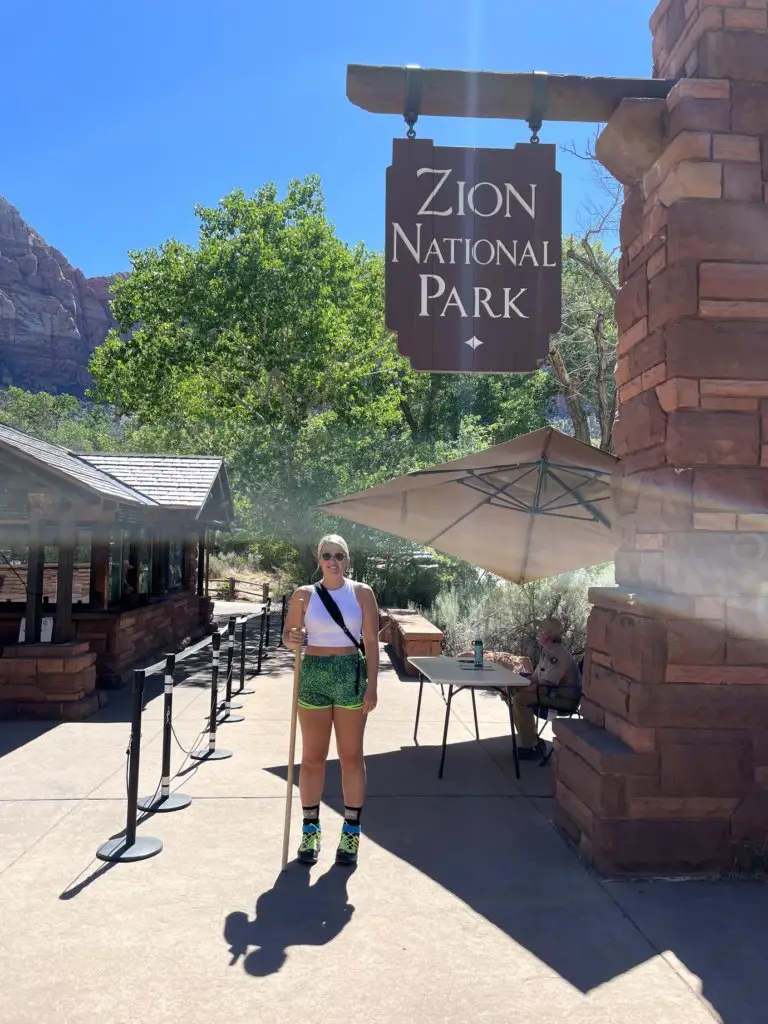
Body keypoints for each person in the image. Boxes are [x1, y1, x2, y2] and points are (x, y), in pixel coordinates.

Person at [283, 534, 380, 867]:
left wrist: (372, 685)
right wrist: (293, 638)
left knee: (351, 756)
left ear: (348, 559)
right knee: (312, 758)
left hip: (350, 674)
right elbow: (289, 638)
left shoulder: (363, 593)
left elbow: (371, 641)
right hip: (313, 675)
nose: (333, 561)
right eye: (327, 555)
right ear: (318, 559)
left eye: (339, 555)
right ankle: (310, 830)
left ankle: (351, 831)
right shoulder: (303, 596)